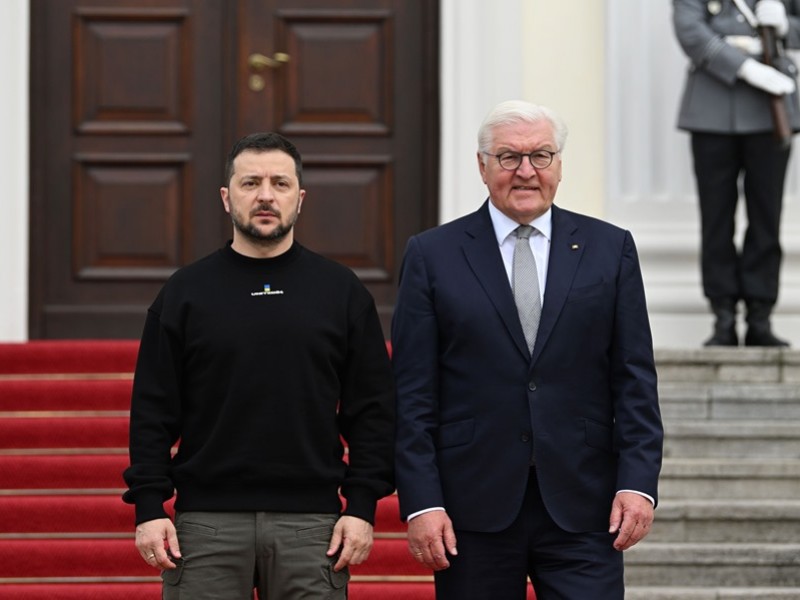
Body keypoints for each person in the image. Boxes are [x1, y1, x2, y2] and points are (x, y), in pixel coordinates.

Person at [391, 100, 664, 600]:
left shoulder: (610, 247)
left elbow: (634, 380)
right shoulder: (432, 254)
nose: (525, 171)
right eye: (508, 157)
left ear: (559, 165)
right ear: (482, 166)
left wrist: (638, 483)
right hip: (471, 508)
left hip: (585, 505)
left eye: (540, 155)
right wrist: (422, 502)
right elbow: (412, 392)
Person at [122, 132, 395, 599]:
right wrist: (149, 507)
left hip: (312, 528)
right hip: (206, 528)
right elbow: (152, 409)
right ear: (227, 198)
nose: (265, 195)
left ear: (300, 198)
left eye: (280, 184)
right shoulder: (186, 292)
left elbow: (372, 410)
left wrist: (362, 505)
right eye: (250, 183)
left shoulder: (340, 292)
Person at [673, 0, 800, 346]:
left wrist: (786, 26)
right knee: (716, 219)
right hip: (712, 106)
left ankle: (760, 316)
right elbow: (691, 31)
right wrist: (744, 66)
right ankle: (723, 315)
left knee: (766, 216)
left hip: (769, 109)